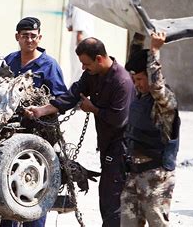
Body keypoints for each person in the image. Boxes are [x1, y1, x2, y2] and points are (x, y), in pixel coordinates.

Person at [25, 37, 135, 227]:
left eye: (86, 63)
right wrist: (42, 110)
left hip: (123, 147)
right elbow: (72, 94)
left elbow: (119, 120)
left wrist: (93, 109)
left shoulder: (122, 81)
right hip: (108, 146)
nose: (83, 68)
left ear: (99, 59)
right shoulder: (93, 74)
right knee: (108, 197)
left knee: (113, 199)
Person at [1, 17, 67, 227]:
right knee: (5, 190)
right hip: (6, 135)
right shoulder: (8, 61)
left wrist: (40, 111)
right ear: (17, 37)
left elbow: (62, 100)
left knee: (34, 190)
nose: (29, 40)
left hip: (37, 139)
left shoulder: (49, 66)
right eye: (25, 36)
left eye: (33, 36)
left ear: (39, 37)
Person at [120, 31, 179, 226]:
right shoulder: (140, 97)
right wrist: (137, 36)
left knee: (157, 222)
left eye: (140, 80)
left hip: (156, 177)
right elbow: (133, 65)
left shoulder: (164, 101)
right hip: (134, 174)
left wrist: (155, 50)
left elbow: (155, 85)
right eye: (135, 81)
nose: (137, 85)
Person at [66, 0, 97, 83]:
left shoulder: (83, 0)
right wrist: (84, 52)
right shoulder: (82, 1)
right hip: (82, 45)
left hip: (82, 45)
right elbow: (79, 32)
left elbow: (70, 26)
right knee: (79, 74)